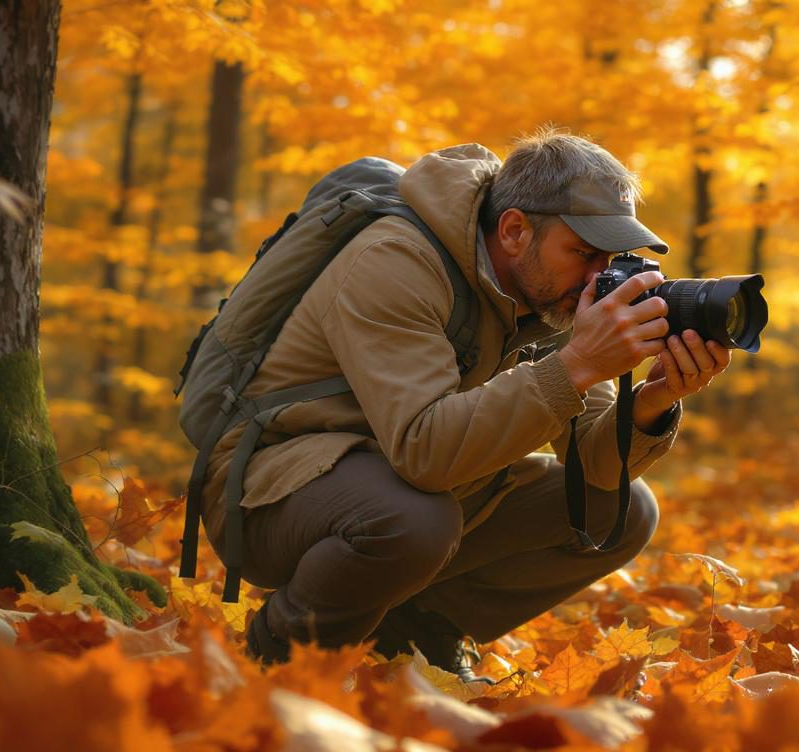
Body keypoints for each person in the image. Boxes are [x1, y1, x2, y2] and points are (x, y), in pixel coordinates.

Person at [203, 129, 732, 674]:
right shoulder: (397, 260)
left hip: (391, 481)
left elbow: (594, 466)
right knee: (413, 520)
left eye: (611, 256)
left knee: (620, 510)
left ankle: (411, 633)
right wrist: (579, 363)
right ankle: (276, 658)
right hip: (267, 489)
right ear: (514, 230)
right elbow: (425, 452)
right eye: (583, 252)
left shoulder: (548, 293)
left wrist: (654, 397)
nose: (600, 276)